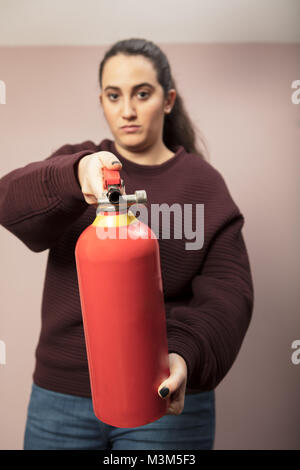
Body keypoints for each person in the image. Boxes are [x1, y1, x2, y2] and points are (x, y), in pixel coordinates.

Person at [0, 38, 254, 450]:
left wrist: (186, 355)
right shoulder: (79, 164)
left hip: (162, 396)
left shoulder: (203, 185)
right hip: (61, 399)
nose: (128, 110)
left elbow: (230, 293)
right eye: (114, 96)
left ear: (168, 100)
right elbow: (8, 203)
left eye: (142, 93)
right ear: (101, 101)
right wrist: (75, 175)